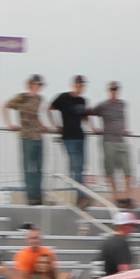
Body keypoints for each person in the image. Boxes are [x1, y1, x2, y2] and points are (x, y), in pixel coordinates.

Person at [5, 75, 47, 205]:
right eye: (37, 84)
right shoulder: (22, 97)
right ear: (31, 84)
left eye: (40, 85)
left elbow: (37, 116)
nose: (39, 87)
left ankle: (38, 195)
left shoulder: (39, 98)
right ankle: (31, 196)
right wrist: (9, 124)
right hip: (26, 136)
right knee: (29, 168)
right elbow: (5, 106)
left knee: (39, 168)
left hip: (38, 136)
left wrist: (42, 126)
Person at [50, 76, 93, 205]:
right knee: (76, 167)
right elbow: (49, 109)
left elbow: (85, 116)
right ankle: (81, 195)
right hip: (69, 137)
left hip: (80, 136)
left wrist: (93, 128)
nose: (81, 88)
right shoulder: (63, 98)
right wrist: (56, 125)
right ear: (74, 85)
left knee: (81, 167)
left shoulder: (82, 100)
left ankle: (80, 194)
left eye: (82, 85)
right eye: (79, 85)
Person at [96, 81, 134, 206]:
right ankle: (116, 196)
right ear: (109, 91)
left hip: (120, 140)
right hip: (108, 140)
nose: (114, 91)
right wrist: (93, 128)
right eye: (112, 89)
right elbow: (90, 112)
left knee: (127, 169)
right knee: (110, 170)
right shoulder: (103, 105)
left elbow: (123, 117)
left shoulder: (122, 104)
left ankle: (127, 196)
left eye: (116, 89)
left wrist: (125, 129)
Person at [101, 211, 137, 276]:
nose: (134, 228)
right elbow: (125, 269)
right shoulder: (122, 242)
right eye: (133, 225)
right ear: (126, 226)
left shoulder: (108, 241)